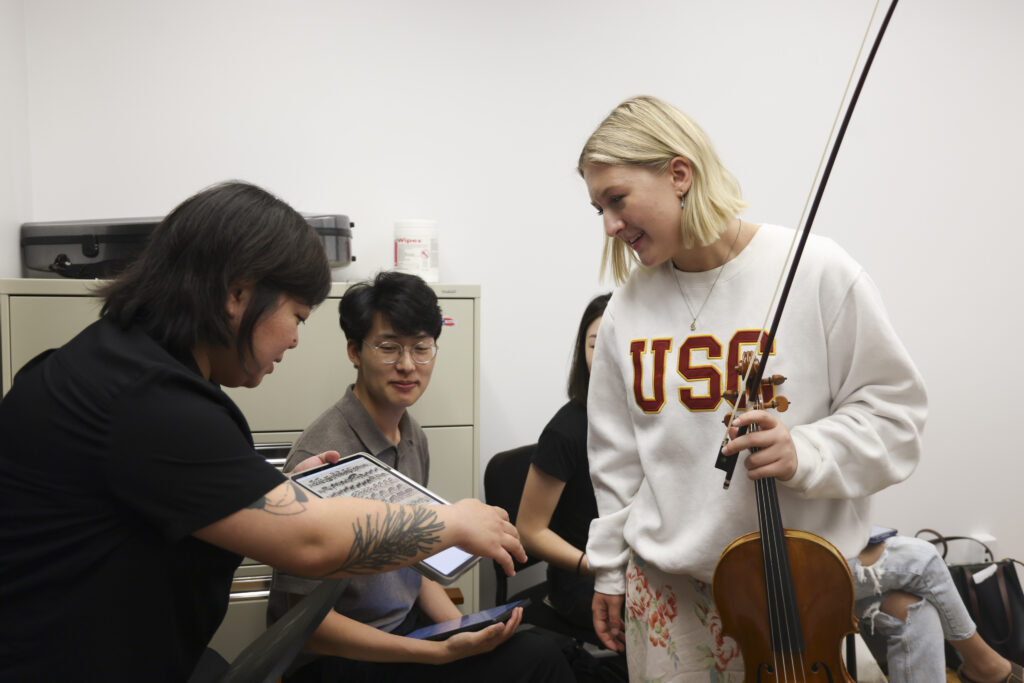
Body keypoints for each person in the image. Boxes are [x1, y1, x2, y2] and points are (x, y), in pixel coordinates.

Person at [0, 182, 524, 682]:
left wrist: (277, 491)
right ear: (237, 293)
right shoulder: (148, 399)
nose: (295, 339)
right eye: (296, 315)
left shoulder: (128, 366)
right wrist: (451, 524)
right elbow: (311, 543)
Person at [577, 96, 1021, 682]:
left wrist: (804, 452)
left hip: (793, 595)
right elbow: (616, 459)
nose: (610, 225)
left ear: (679, 175)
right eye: (598, 208)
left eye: (617, 199)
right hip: (665, 593)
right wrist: (609, 569)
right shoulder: (628, 307)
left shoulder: (815, 271)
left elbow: (896, 417)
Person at [268, 270, 574, 683]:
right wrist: (436, 654)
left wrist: (465, 631)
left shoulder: (412, 436)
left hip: (406, 633)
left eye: (421, 348)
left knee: (540, 651)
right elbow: (304, 628)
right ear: (355, 351)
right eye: (389, 347)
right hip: (342, 657)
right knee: (538, 661)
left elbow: (415, 567)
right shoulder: (323, 456)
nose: (408, 365)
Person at [517, 292, 610, 634]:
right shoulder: (566, 429)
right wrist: (591, 566)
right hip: (583, 579)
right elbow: (529, 531)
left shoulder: (649, 422)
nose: (604, 356)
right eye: (594, 344)